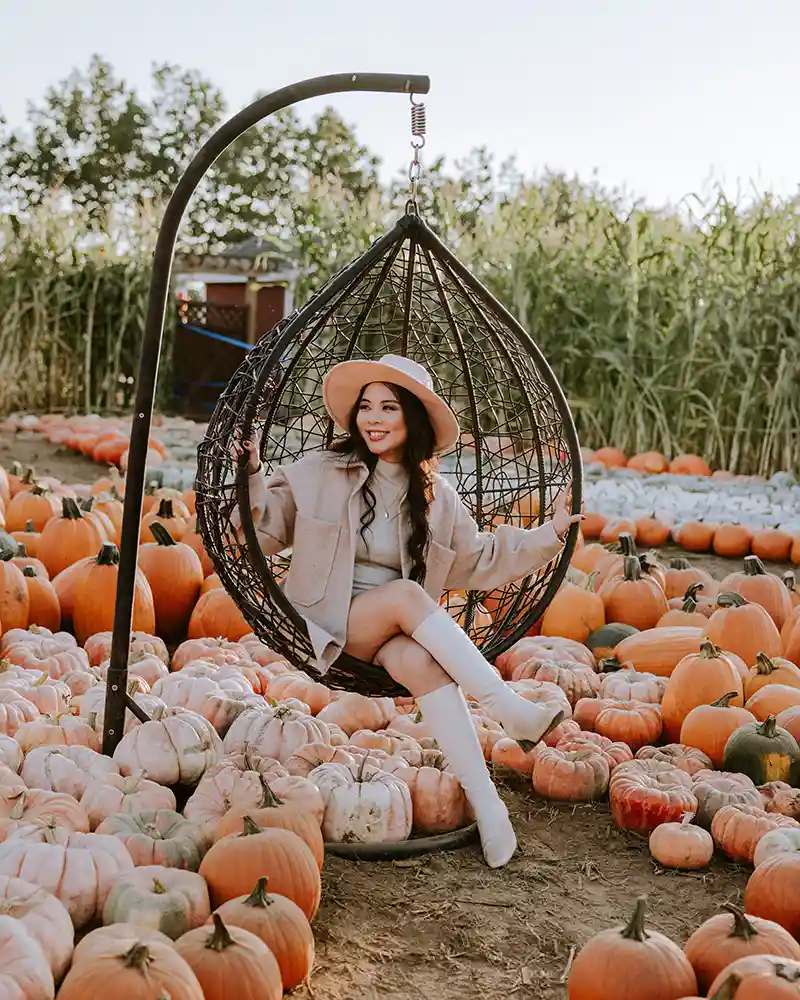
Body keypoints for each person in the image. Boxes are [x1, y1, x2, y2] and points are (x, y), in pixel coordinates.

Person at [233, 354, 583, 868]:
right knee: (406, 596)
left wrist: (548, 535)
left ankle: (488, 806)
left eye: (388, 407)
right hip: (326, 623)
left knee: (420, 662)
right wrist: (254, 475)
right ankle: (507, 708)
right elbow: (264, 528)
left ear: (411, 418)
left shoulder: (436, 498)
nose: (373, 418)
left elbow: (480, 559)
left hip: (385, 634)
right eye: (366, 407)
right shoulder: (321, 472)